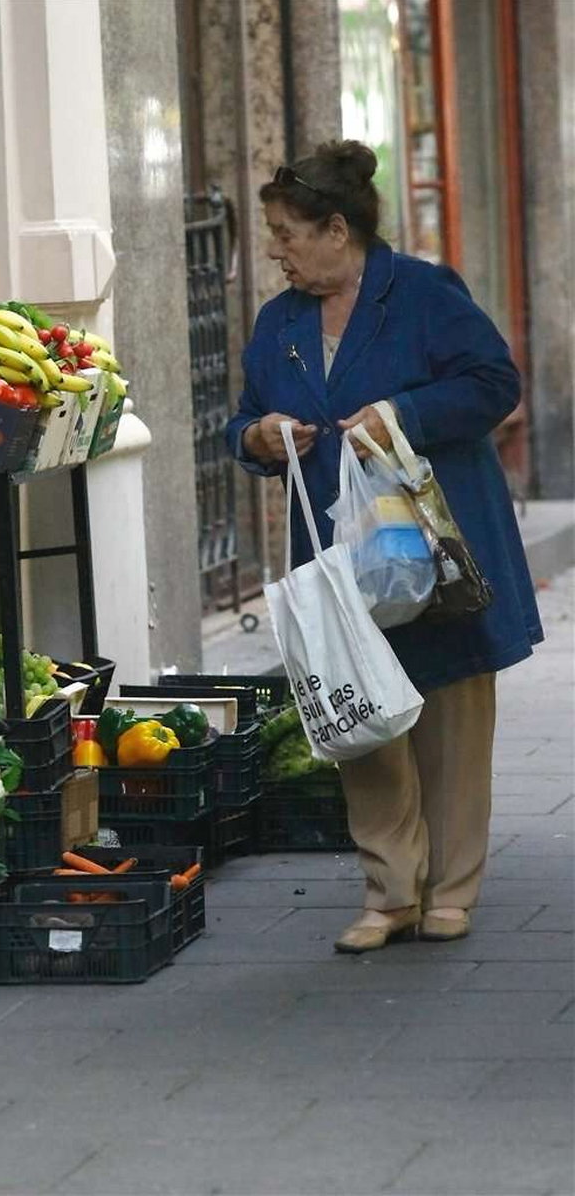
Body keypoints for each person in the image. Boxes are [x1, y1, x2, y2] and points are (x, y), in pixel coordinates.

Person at [225, 139, 543, 954]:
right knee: (363, 708)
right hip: (339, 550)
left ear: (338, 229)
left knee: (452, 710)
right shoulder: (281, 321)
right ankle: (391, 889)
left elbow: (492, 384)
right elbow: (244, 419)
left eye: (288, 233)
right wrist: (259, 435)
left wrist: (401, 412)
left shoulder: (424, 293)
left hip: (433, 536)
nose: (276, 250)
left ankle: (452, 887)